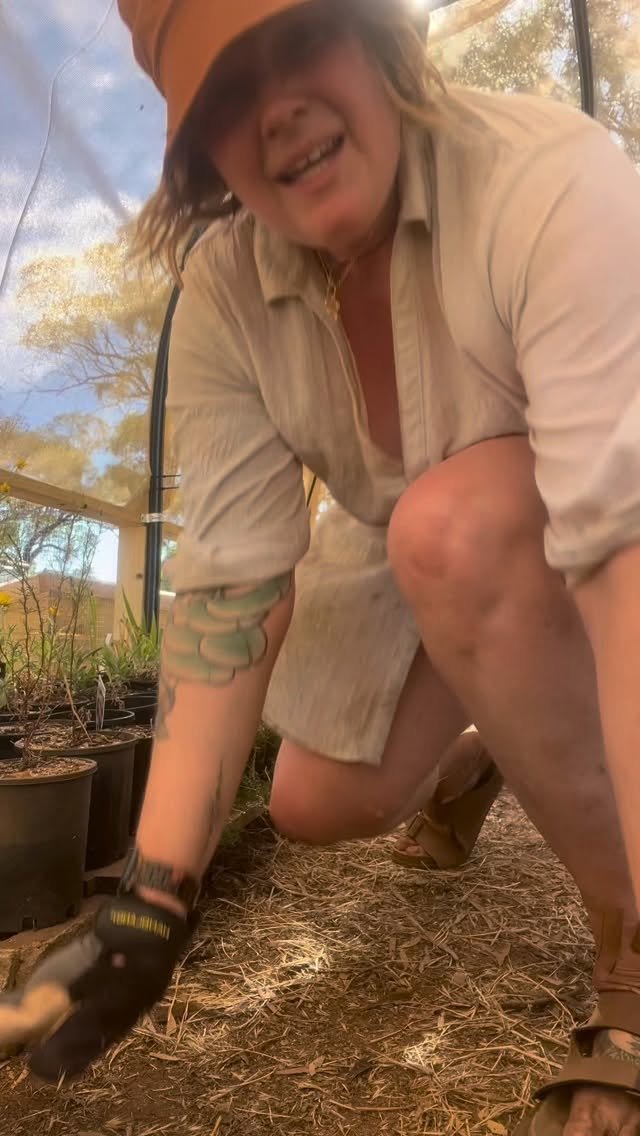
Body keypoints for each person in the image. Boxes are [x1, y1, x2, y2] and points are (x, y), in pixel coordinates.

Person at [1, 1, 639, 1133]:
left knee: (451, 534)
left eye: (298, 36)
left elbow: (618, 555)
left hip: (553, 516)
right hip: (397, 534)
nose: (277, 107)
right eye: (226, 89)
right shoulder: (224, 294)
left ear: (381, 35)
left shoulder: (546, 177)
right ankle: (489, 745)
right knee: (311, 801)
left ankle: (627, 954)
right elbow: (229, 586)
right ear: (200, 148)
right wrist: (152, 895)